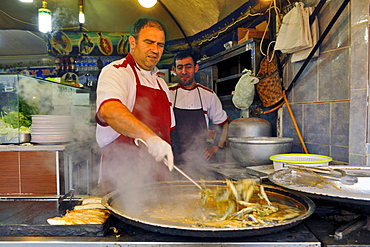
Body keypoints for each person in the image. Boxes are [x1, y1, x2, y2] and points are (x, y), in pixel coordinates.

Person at [95, 17, 175, 194]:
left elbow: (169, 131)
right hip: (122, 183)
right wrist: (151, 138)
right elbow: (110, 111)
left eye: (160, 45)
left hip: (158, 184)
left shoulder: (162, 84)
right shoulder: (116, 72)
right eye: (149, 42)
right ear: (133, 42)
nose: (155, 50)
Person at [169, 50, 229, 173]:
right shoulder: (167, 93)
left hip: (199, 160)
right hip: (172, 159)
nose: (184, 72)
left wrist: (214, 147)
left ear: (196, 68)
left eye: (188, 67)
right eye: (180, 67)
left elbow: (223, 123)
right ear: (174, 70)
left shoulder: (208, 95)